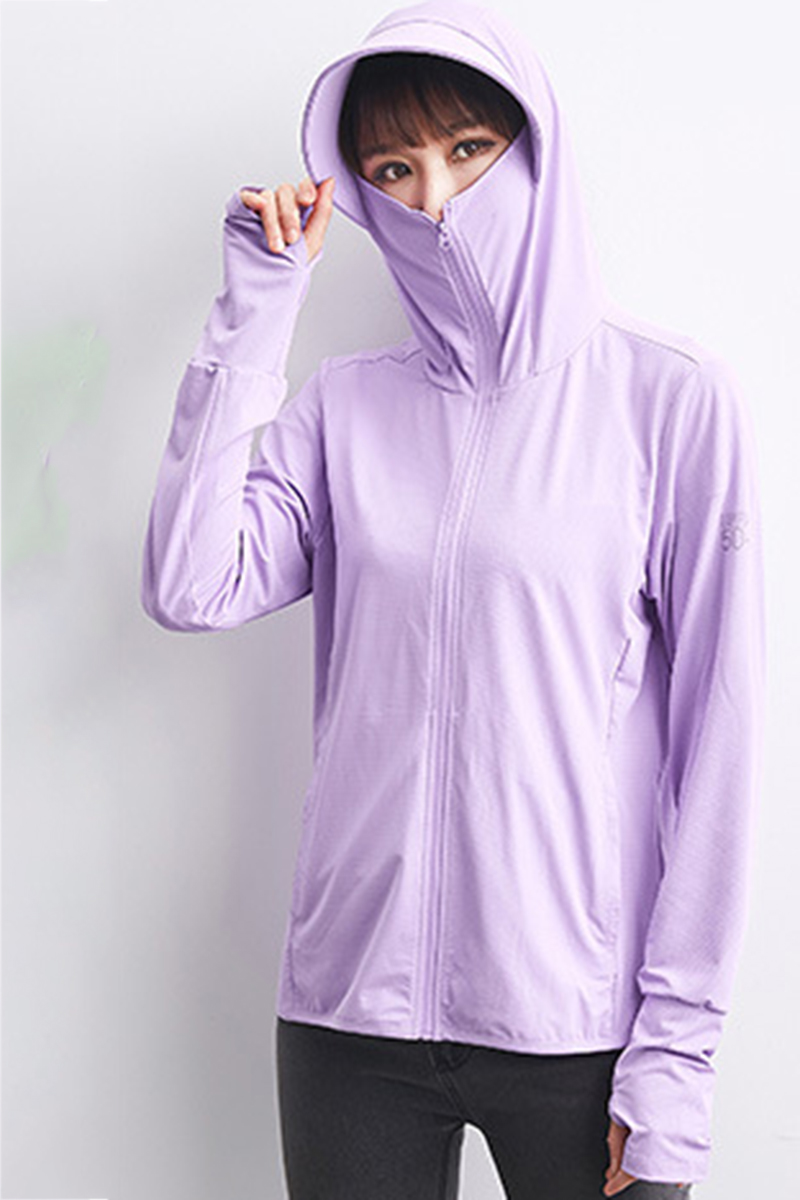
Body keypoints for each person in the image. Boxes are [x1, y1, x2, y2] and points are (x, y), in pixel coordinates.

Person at [140, 2, 765, 1197]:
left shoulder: (668, 401)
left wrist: (674, 1061)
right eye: (392, 169)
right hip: (347, 1020)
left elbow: (718, 752)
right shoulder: (342, 408)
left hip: (579, 1031)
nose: (433, 199)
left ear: (535, 151)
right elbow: (188, 580)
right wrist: (257, 310)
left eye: (467, 149)